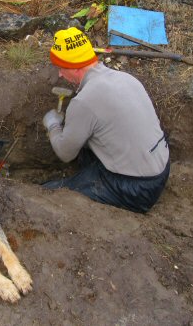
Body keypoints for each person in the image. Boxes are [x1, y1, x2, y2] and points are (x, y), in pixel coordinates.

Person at [41, 27, 170, 213]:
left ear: (76, 67)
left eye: (61, 68)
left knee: (52, 194)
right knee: (88, 146)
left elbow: (65, 153)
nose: (60, 74)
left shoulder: (84, 102)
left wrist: (53, 124)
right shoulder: (125, 78)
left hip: (136, 189)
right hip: (161, 169)